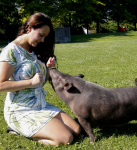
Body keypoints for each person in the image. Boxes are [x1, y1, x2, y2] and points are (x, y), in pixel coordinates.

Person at [0, 12, 81, 146]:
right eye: (41, 35)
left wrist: (48, 68)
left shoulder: (33, 51)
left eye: (45, 37)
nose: (43, 40)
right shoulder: (11, 51)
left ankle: (36, 128)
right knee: (65, 139)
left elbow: (39, 84)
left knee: (76, 130)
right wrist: (30, 82)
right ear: (30, 28)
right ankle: (17, 129)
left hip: (40, 105)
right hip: (21, 111)